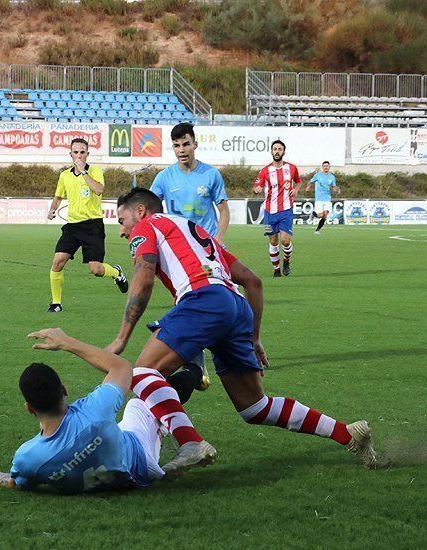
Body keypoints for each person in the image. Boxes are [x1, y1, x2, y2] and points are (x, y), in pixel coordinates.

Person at [105, 187, 382, 471]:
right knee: (254, 407)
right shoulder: (196, 231)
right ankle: (348, 433)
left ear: (139, 211)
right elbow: (252, 280)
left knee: (141, 373)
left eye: (122, 221)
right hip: (235, 306)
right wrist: (254, 337)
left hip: (204, 299)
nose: (122, 232)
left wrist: (121, 338)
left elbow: (143, 277)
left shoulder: (147, 225)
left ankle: (189, 442)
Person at [0, 327, 203, 493]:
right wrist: (67, 342)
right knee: (142, 397)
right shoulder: (94, 410)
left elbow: (14, 482)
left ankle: (194, 374)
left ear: (28, 408)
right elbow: (122, 367)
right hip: (142, 465)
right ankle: (195, 371)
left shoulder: (28, 457)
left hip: (113, 479)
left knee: (122, 422)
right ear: (64, 390)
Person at [147, 122, 230, 390]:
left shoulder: (211, 175)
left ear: (195, 143)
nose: (182, 150)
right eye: (177, 145)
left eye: (186, 144)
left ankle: (205, 357)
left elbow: (224, 209)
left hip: (206, 251)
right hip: (176, 253)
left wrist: (219, 237)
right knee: (189, 300)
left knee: (210, 297)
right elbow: (150, 211)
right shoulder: (163, 178)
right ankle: (200, 359)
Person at [46, 138, 128, 313]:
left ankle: (116, 272)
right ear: (70, 154)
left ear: (87, 154)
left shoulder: (95, 171)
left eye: (82, 152)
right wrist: (52, 210)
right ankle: (56, 303)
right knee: (58, 262)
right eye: (75, 152)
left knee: (96, 269)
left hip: (93, 226)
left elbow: (98, 190)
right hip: (72, 226)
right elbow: (59, 196)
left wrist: (84, 172)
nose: (79, 155)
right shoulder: (65, 175)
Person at [252, 140, 299, 277]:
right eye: (275, 149)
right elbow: (256, 187)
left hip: (286, 210)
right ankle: (277, 270)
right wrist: (257, 189)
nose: (277, 151)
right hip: (269, 212)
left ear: (283, 152)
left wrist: (296, 189)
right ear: (271, 151)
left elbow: (299, 182)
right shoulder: (265, 171)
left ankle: (286, 261)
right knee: (273, 241)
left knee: (285, 240)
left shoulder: (292, 168)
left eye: (279, 149)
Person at [303, 161, 341, 235]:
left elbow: (333, 187)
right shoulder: (318, 175)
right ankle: (313, 214)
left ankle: (317, 230)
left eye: (327, 166)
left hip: (327, 198)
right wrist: (308, 186)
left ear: (329, 167)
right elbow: (310, 181)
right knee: (320, 215)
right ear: (322, 167)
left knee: (325, 214)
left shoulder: (332, 177)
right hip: (319, 198)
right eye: (324, 166)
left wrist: (337, 189)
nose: (326, 167)